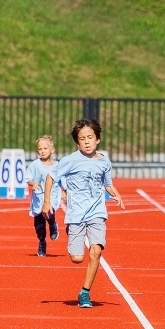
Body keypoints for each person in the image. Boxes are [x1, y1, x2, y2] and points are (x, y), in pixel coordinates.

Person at [42, 118, 125, 308]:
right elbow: (51, 176)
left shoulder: (104, 161)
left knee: (96, 251)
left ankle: (85, 293)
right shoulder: (70, 161)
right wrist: (47, 202)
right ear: (77, 142)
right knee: (77, 258)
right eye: (82, 139)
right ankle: (67, 231)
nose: (87, 142)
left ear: (98, 139)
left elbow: (107, 183)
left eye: (90, 137)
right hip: (76, 214)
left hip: (97, 211)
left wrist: (116, 194)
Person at [26, 135, 61, 257]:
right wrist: (33, 183)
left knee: (49, 212)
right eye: (40, 149)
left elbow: (62, 180)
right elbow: (28, 178)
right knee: (39, 225)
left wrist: (65, 192)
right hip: (38, 198)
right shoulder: (35, 165)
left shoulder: (57, 166)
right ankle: (42, 242)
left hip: (52, 197)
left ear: (52, 150)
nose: (43, 151)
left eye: (45, 148)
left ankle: (52, 225)